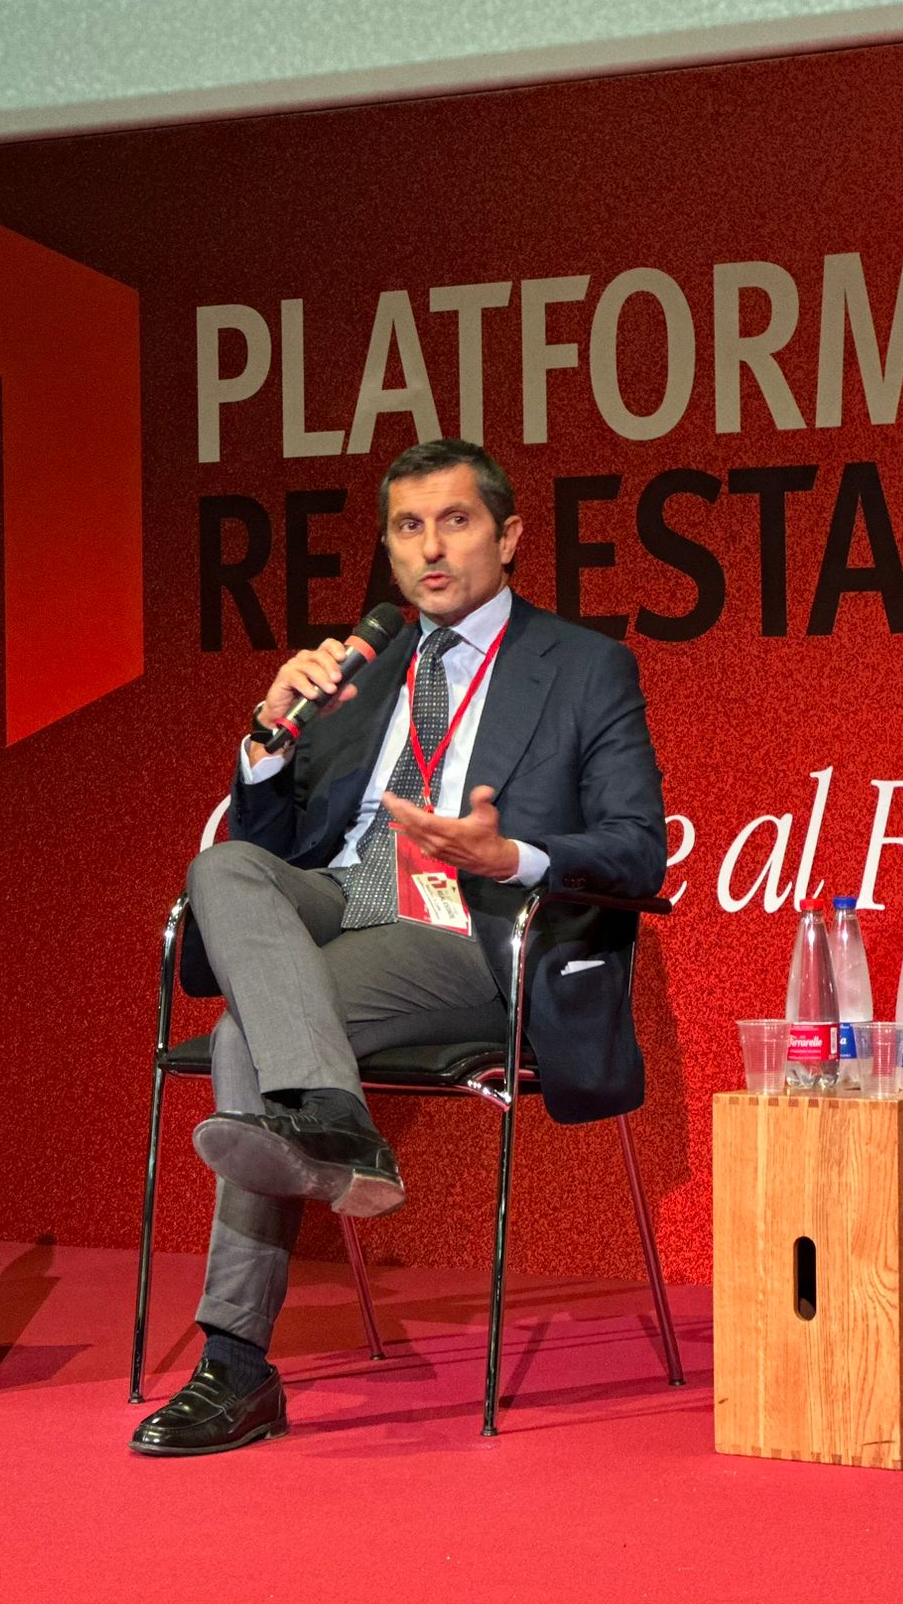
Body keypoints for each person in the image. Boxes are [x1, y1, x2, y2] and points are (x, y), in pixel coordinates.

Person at [130, 439, 666, 1456]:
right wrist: (269, 740)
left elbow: (639, 846)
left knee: (248, 1036)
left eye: (456, 521)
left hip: (468, 923)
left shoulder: (585, 666)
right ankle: (336, 1124)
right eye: (409, 528)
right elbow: (281, 840)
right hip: (342, 898)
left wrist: (512, 855)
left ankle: (234, 1365)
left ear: (507, 536)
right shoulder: (365, 671)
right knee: (222, 867)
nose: (431, 548)